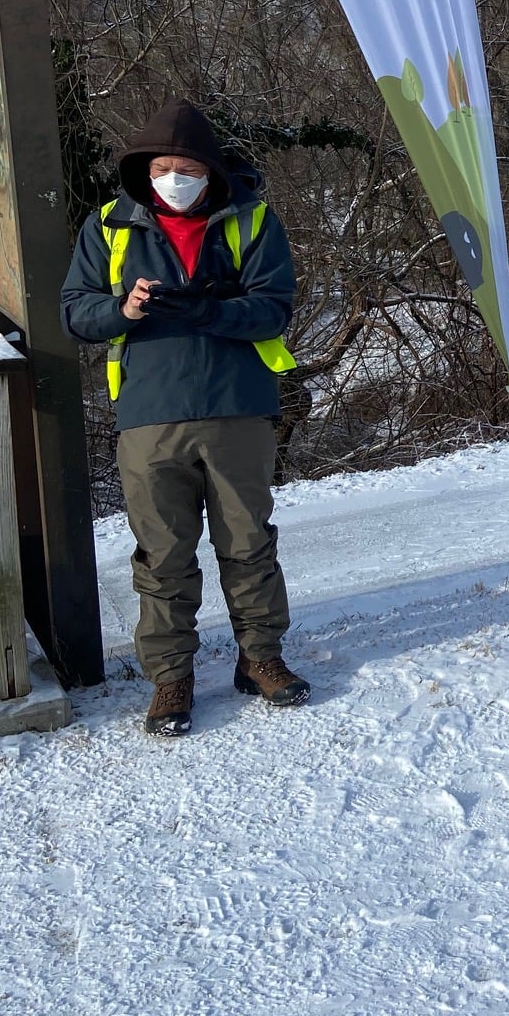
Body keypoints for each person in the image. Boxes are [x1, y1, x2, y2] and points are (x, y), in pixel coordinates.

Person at [61, 98, 310, 737]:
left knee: (248, 543)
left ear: (210, 172)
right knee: (162, 555)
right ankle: (171, 680)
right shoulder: (110, 226)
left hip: (239, 408)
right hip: (149, 415)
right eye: (163, 167)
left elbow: (273, 310)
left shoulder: (252, 220)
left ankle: (262, 659)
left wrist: (206, 310)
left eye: (188, 168)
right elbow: (75, 313)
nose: (175, 178)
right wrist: (126, 309)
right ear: (144, 170)